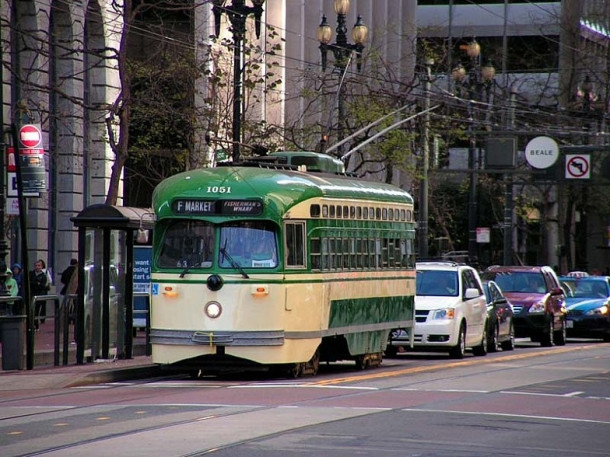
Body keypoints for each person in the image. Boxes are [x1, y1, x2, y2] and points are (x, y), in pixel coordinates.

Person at [30, 259, 49, 330]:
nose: (37, 267)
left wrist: (36, 283)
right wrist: (36, 283)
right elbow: (30, 283)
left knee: (36, 311)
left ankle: (35, 325)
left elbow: (42, 286)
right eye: (36, 265)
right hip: (31, 294)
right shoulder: (31, 273)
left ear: (41, 267)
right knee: (31, 311)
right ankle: (31, 324)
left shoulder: (43, 276)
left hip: (39, 295)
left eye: (39, 266)